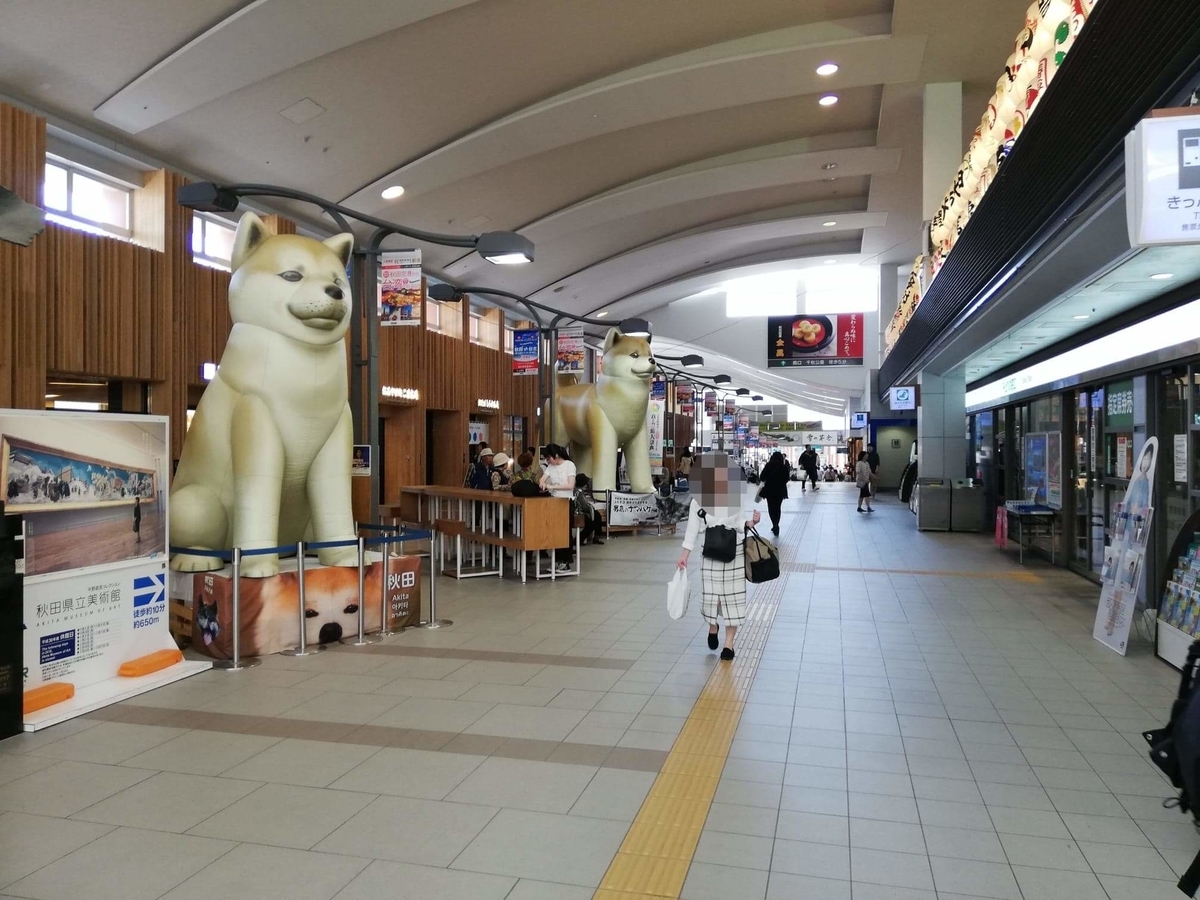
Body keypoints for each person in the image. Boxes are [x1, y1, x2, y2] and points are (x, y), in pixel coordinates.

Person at [677, 452, 760, 660]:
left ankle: (729, 645)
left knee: (734, 601)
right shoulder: (699, 501)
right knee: (711, 599)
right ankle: (712, 626)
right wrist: (684, 555)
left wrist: (751, 523)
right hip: (710, 555)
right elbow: (692, 530)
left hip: (734, 554)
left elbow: (739, 523)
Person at [540, 443, 577, 571]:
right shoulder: (550, 466)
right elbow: (542, 479)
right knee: (555, 532)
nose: (548, 461)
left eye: (548, 458)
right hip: (554, 501)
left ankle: (565, 561)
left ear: (556, 455)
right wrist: (542, 483)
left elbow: (570, 485)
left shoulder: (569, 465)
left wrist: (552, 486)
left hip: (566, 501)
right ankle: (557, 560)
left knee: (565, 532)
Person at [757, 451, 791, 536]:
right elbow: (787, 478)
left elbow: (762, 477)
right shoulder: (783, 467)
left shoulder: (768, 465)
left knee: (771, 508)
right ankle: (776, 524)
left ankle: (774, 524)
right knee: (778, 508)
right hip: (780, 491)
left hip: (769, 490)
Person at [574, 473, 605, 545]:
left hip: (582, 511)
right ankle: (577, 540)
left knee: (597, 515)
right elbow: (584, 506)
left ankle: (596, 537)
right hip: (580, 512)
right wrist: (590, 508)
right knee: (592, 524)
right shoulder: (578, 492)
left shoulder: (578, 491)